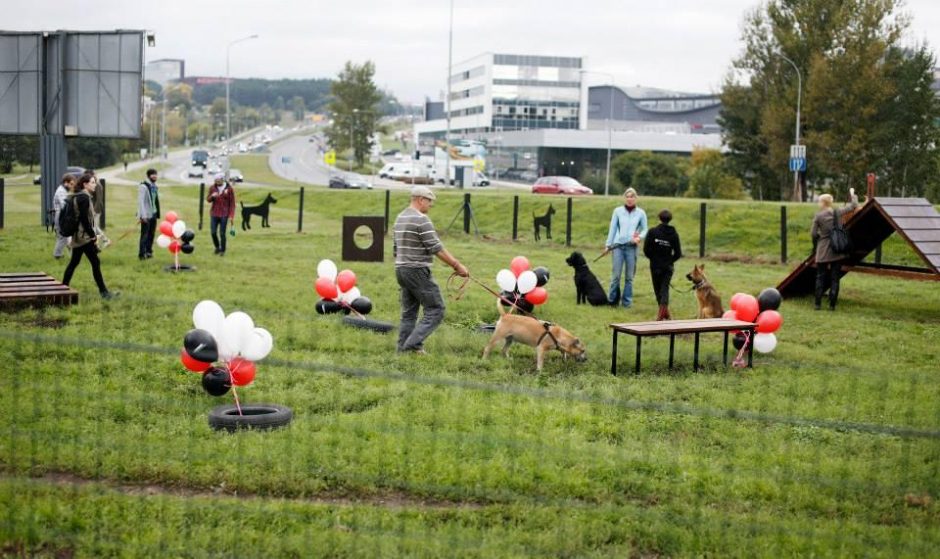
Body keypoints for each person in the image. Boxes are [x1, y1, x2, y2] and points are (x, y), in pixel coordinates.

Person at [393, 186, 468, 354]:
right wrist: (457, 266)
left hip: (401, 269)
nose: (431, 205)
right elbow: (436, 248)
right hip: (417, 271)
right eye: (429, 201)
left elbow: (395, 249)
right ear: (420, 200)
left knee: (409, 313)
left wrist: (403, 269)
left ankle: (403, 350)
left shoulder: (399, 218)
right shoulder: (422, 219)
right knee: (436, 309)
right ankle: (411, 345)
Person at [62, 174, 117, 299]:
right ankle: (104, 293)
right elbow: (84, 220)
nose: (95, 184)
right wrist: (93, 236)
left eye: (95, 182)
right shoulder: (84, 198)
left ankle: (63, 288)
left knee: (74, 262)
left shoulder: (81, 196)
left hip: (80, 236)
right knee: (94, 262)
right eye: (92, 182)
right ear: (85, 184)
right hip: (84, 237)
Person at [811, 188, 859, 311]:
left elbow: (813, 233)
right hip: (837, 249)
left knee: (820, 276)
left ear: (822, 203)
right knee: (835, 277)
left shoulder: (818, 216)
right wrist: (852, 194)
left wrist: (818, 241)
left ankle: (817, 304)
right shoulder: (837, 212)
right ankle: (832, 305)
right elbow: (853, 206)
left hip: (823, 250)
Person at [603, 188, 648, 308]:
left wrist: (639, 238)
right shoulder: (617, 211)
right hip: (618, 246)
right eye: (627, 197)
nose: (629, 199)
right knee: (616, 276)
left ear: (635, 198)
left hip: (631, 248)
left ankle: (627, 302)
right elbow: (612, 229)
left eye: (632, 197)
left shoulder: (640, 213)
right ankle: (612, 301)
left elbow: (645, 229)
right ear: (624, 198)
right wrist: (608, 245)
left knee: (629, 277)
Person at [643, 209, 682, 320]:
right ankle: (665, 314)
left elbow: (646, 249)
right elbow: (678, 253)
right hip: (668, 267)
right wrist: (670, 261)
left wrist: (654, 259)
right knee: (664, 289)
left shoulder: (652, 232)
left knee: (658, 290)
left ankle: (661, 316)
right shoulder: (674, 234)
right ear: (670, 219)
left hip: (655, 266)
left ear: (659, 218)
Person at [207, 173, 237, 255]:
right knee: (213, 232)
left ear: (222, 180)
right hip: (214, 213)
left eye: (218, 181)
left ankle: (222, 250)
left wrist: (231, 215)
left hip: (224, 214)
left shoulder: (229, 189)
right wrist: (212, 196)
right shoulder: (212, 188)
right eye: (216, 181)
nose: (217, 182)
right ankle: (217, 247)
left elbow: (232, 204)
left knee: (222, 233)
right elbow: (208, 200)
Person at [137, 168, 160, 260]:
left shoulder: (154, 186)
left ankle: (149, 251)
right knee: (145, 235)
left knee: (151, 234)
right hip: (146, 215)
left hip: (153, 214)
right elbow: (141, 202)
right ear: (148, 176)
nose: (154, 176)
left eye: (155, 174)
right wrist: (143, 215)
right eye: (152, 174)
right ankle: (142, 254)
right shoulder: (143, 186)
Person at [52, 173, 76, 259]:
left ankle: (73, 255)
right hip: (61, 217)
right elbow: (64, 205)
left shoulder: (63, 190)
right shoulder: (61, 192)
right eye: (71, 184)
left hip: (62, 217)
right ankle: (57, 255)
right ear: (66, 182)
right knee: (63, 237)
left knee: (67, 237)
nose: (72, 186)